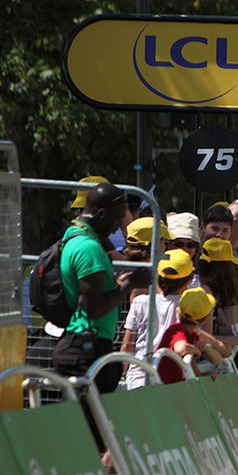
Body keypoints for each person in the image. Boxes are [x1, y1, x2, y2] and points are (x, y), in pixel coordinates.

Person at [52, 183, 151, 449]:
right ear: (101, 213)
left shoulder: (76, 238)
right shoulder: (88, 248)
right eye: (118, 217)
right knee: (89, 441)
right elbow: (95, 307)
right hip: (87, 350)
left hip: (88, 346)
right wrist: (130, 284)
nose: (120, 225)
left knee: (89, 437)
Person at [120, 248, 194, 389]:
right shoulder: (188, 306)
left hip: (138, 376)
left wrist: (122, 374)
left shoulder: (139, 301)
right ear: (188, 282)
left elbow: (127, 345)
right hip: (172, 377)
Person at [156, 287, 228, 383]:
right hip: (168, 390)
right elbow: (181, 348)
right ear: (204, 320)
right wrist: (197, 351)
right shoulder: (177, 330)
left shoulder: (192, 334)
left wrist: (206, 349)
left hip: (177, 387)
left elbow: (218, 360)